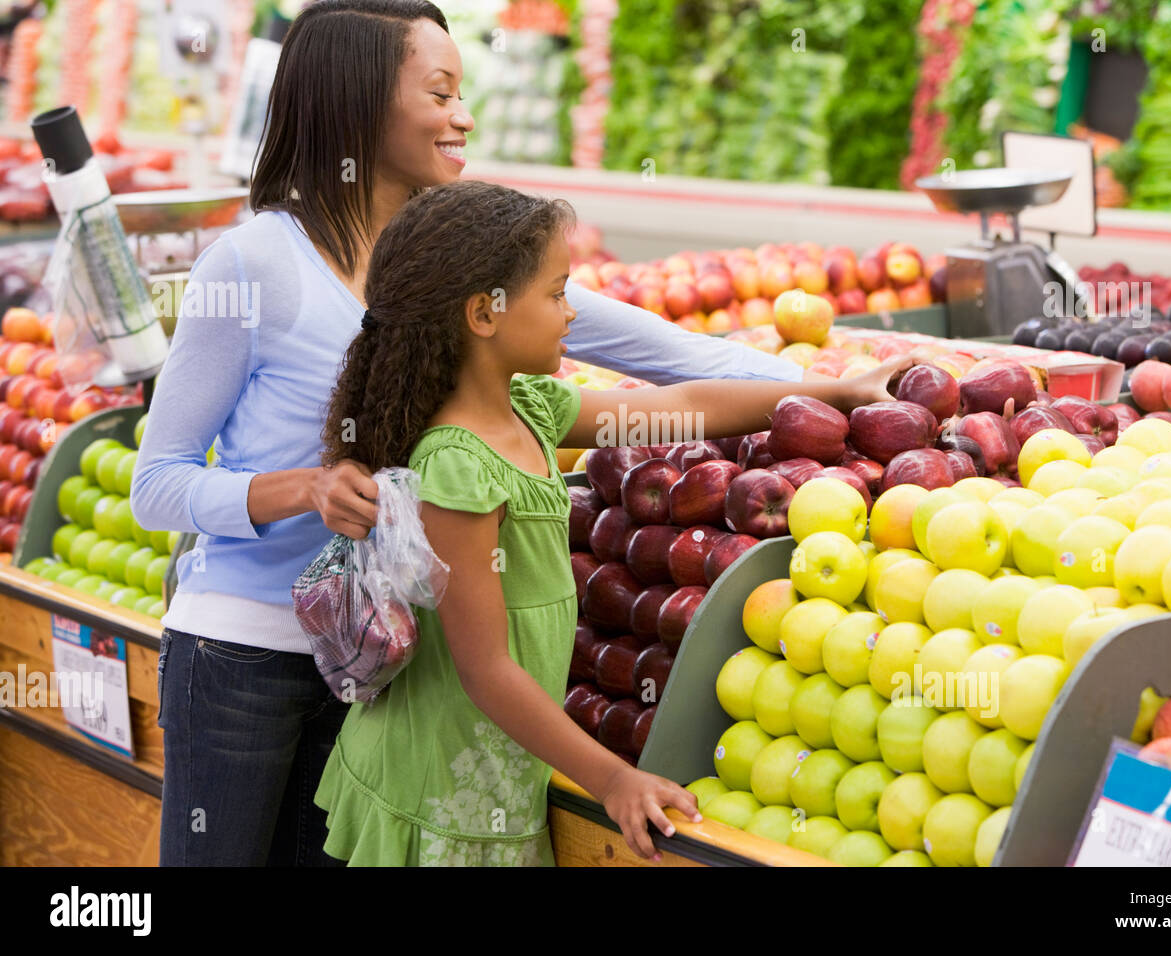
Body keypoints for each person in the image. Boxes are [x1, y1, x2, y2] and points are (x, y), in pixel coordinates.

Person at [131, 0, 812, 867]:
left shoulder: (448, 255)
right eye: (441, 91)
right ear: (359, 102)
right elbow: (158, 486)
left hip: (382, 663)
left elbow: (653, 348)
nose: (465, 115)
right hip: (245, 655)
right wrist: (301, 489)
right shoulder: (254, 264)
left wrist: (817, 392)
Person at [312, 180, 911, 865]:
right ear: (484, 314)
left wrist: (836, 392)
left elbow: (684, 405)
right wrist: (613, 777)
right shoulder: (457, 467)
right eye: (557, 292)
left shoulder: (530, 407)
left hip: (496, 764)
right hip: (441, 783)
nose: (571, 313)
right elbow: (485, 670)